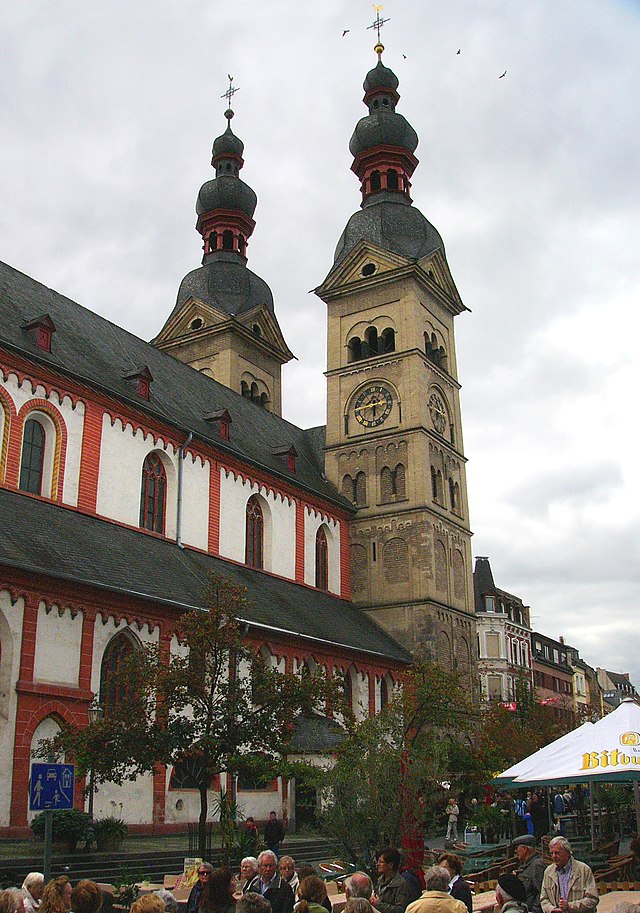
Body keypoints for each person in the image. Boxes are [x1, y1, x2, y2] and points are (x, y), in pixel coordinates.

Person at [540, 837, 598, 913]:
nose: (554, 856)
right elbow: (544, 899)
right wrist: (551, 910)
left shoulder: (583, 870)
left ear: (567, 853)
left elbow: (593, 899)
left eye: (557, 853)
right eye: (552, 853)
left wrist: (570, 906)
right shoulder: (548, 872)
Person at [371, 848, 413, 913]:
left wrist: (379, 904)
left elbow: (400, 910)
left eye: (381, 862)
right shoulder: (380, 880)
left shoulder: (401, 884)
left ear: (390, 865)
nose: (378, 864)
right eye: (378, 861)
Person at [512, 835, 546, 913]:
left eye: (517, 848)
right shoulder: (526, 865)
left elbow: (542, 892)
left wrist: (534, 910)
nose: (515, 851)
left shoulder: (537, 865)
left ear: (524, 849)